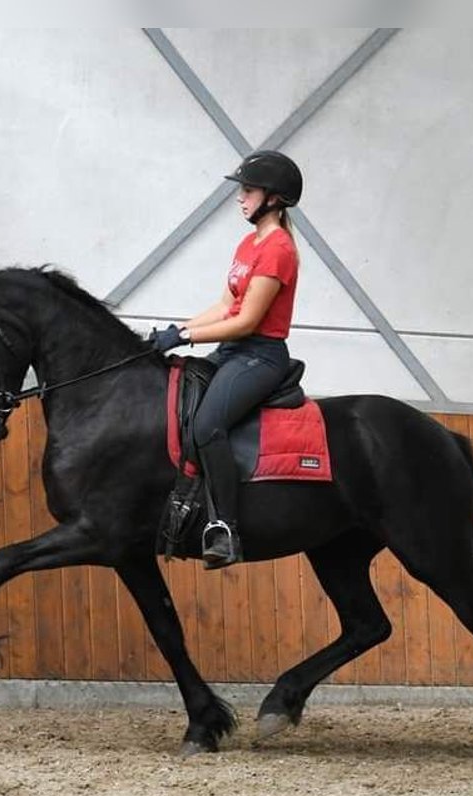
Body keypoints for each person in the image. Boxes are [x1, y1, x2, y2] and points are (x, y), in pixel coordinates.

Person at [148, 149, 302, 569]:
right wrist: (174, 330)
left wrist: (184, 336)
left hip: (260, 356)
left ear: (273, 198)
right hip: (232, 351)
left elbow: (246, 321)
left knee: (207, 424)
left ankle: (225, 528)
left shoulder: (278, 250)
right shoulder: (248, 243)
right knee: (180, 405)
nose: (241, 197)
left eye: (248, 190)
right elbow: (224, 306)